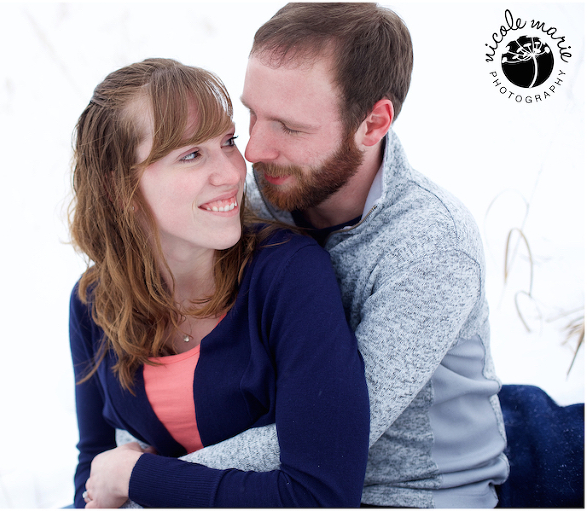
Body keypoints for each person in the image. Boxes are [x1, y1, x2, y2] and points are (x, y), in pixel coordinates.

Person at [197, 3, 511, 508]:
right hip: (272, 485)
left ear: (373, 122)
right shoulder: (257, 200)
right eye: (252, 114)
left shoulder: (431, 245)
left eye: (290, 128)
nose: (253, 149)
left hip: (412, 494)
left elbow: (328, 437)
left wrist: (147, 480)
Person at [66, 57, 369, 508]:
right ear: (118, 189)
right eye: (191, 155)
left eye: (227, 141)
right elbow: (94, 465)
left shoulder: (288, 276)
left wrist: (139, 477)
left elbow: (320, 496)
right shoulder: (94, 301)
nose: (232, 173)